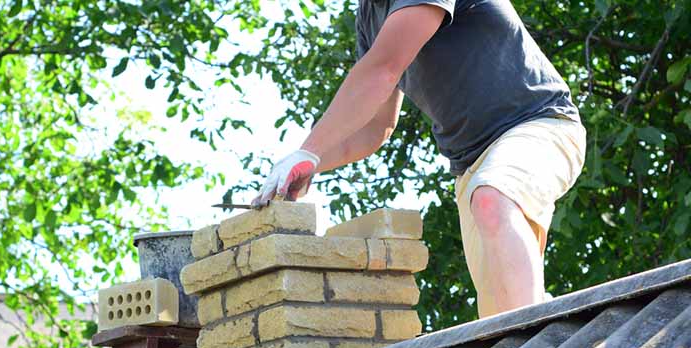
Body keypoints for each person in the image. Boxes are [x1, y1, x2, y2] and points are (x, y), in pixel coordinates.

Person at [251, 0, 586, 319]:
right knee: (501, 318)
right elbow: (376, 128)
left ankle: (534, 332)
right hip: (473, 169)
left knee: (492, 199)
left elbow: (382, 69)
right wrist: (310, 162)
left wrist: (309, 148)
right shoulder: (371, 16)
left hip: (541, 125)